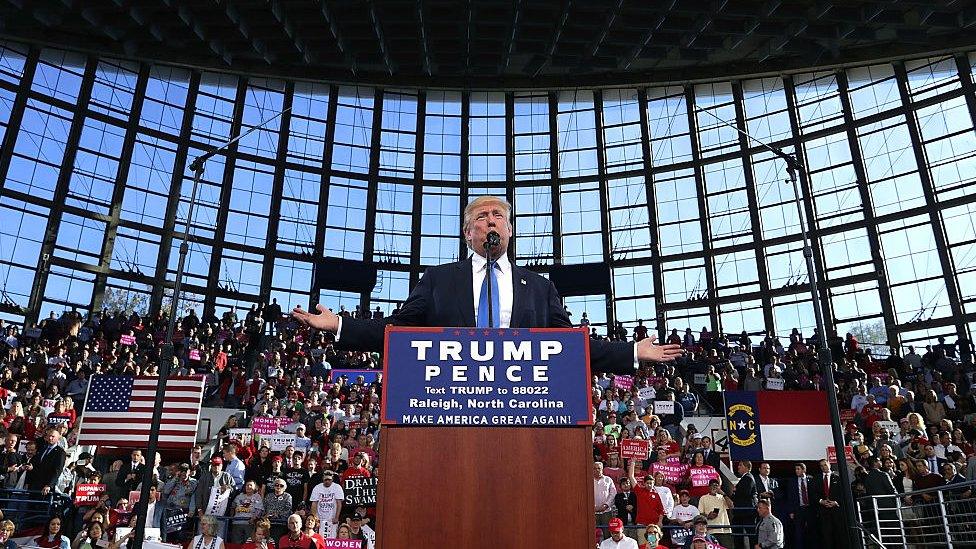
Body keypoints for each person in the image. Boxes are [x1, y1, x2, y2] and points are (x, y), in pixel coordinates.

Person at [291, 196, 683, 375]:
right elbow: (397, 330)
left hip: (524, 404)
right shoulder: (439, 278)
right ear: (468, 232)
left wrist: (630, 351)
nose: (491, 220)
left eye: (499, 215)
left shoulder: (539, 287)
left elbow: (571, 347)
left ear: (509, 230)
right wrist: (340, 325)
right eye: (482, 216)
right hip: (453, 403)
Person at [627, 458, 665, 528]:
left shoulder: (656, 495)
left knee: (652, 539)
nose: (649, 485)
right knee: (641, 539)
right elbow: (631, 477)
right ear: (644, 483)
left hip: (653, 525)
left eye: (651, 483)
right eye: (647, 483)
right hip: (641, 523)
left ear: (654, 483)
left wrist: (660, 522)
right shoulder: (639, 491)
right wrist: (633, 462)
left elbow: (661, 510)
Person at [696, 479, 733, 548]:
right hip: (711, 530)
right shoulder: (703, 498)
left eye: (716, 485)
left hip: (724, 530)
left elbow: (731, 506)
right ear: (709, 487)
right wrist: (708, 516)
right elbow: (700, 513)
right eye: (712, 485)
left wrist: (723, 494)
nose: (714, 487)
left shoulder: (722, 497)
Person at [309, 470, 343, 538]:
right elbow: (314, 504)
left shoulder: (337, 487)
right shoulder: (317, 487)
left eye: (329, 480)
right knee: (319, 538)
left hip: (332, 519)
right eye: (325, 480)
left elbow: (339, 503)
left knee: (332, 538)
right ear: (323, 479)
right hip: (320, 518)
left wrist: (336, 517)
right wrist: (315, 519)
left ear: (332, 479)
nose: (327, 481)